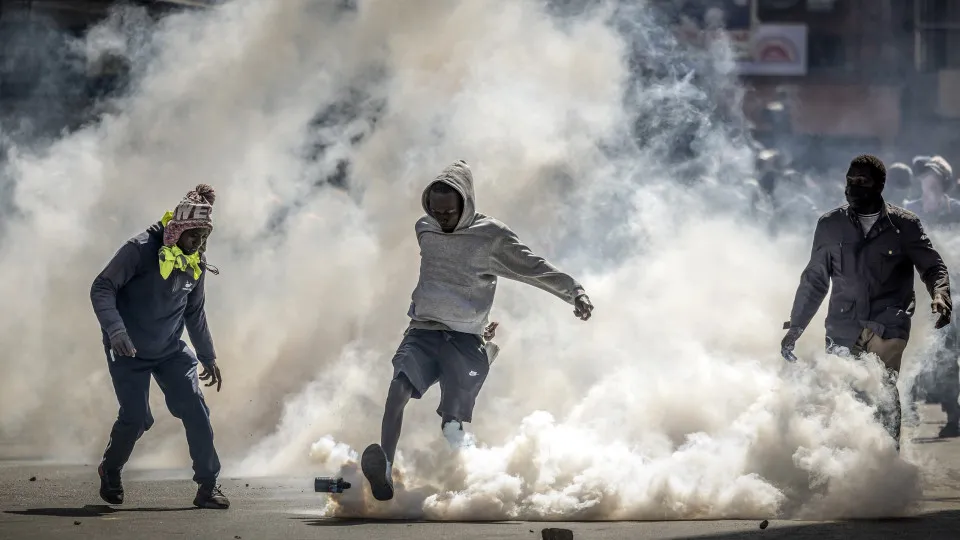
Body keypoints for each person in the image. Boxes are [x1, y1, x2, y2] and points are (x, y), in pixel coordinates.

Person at [361, 160, 594, 502]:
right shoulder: (424, 227)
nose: (442, 218)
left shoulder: (491, 236)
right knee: (397, 391)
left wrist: (575, 291)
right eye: (435, 210)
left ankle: (476, 476)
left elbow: (533, 268)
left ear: (466, 203)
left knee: (451, 425)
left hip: (467, 341)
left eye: (449, 211)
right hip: (424, 330)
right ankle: (384, 472)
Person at [780, 154, 952, 450]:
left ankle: (885, 461)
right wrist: (796, 326)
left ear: (879, 186)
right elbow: (815, 280)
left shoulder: (904, 225)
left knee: (882, 389)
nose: (853, 187)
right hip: (843, 324)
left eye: (862, 182)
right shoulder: (830, 225)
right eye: (850, 181)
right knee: (845, 395)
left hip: (888, 322)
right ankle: (851, 466)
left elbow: (933, 266)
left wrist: (940, 293)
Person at [90, 184, 229, 509]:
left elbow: (194, 311)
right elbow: (102, 287)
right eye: (194, 236)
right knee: (137, 417)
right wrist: (115, 330)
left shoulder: (196, 260)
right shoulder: (138, 249)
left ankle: (208, 486)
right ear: (177, 229)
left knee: (196, 407)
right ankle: (110, 469)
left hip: (169, 347)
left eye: (205, 237)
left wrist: (207, 356)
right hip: (127, 348)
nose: (200, 245)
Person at [904, 156, 960, 437]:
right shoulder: (910, 211)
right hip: (917, 290)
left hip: (951, 290)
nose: (929, 181)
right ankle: (908, 409)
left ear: (943, 181)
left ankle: (953, 416)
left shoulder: (956, 210)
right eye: (925, 176)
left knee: (948, 354)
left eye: (934, 177)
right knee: (911, 348)